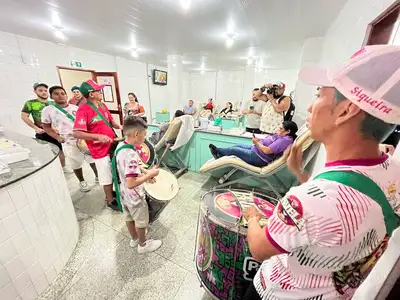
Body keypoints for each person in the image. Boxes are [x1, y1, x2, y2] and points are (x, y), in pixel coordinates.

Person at [242, 45, 400, 300]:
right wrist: (301, 174)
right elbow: (333, 220)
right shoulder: (393, 173)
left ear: (345, 110)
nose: (311, 107)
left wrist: (251, 216)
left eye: (318, 95)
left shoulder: (309, 201)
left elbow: (259, 249)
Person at [73, 79, 122, 211]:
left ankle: (116, 192)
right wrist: (98, 136)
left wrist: (119, 125)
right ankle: (110, 200)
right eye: (98, 90)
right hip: (99, 150)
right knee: (106, 175)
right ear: (91, 94)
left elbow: (110, 120)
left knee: (116, 171)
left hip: (113, 144)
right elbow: (77, 133)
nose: (101, 92)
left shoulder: (102, 105)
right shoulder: (83, 110)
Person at [115, 116, 162, 253]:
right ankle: (143, 245)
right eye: (144, 134)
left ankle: (134, 239)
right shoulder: (131, 154)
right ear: (136, 134)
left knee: (129, 217)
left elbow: (128, 171)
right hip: (134, 195)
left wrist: (144, 171)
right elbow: (131, 183)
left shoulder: (121, 146)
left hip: (123, 192)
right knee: (141, 221)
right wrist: (150, 175)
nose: (145, 138)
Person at [42, 86, 98, 192]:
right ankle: (82, 181)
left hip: (84, 138)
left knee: (92, 159)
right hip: (68, 140)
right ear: (51, 96)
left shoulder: (75, 108)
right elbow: (46, 127)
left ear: (66, 95)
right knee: (75, 162)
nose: (60, 95)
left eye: (62, 93)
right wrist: (58, 137)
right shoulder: (48, 110)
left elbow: (86, 122)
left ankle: (97, 176)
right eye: (56, 94)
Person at [21, 82, 72, 173]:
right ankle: (50, 169)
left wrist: (56, 127)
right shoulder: (30, 103)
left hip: (55, 132)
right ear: (35, 91)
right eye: (40, 91)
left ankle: (63, 167)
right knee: (46, 151)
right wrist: (36, 128)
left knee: (60, 150)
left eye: (45, 90)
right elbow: (24, 117)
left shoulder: (53, 103)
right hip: (41, 132)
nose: (44, 92)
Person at [209, 121, 297, 167]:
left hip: (259, 158)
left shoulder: (285, 141)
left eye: (281, 128)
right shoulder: (283, 136)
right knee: (237, 145)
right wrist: (259, 141)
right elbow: (270, 141)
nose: (279, 129)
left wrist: (257, 143)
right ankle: (220, 155)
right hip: (256, 150)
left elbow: (267, 150)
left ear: (288, 131)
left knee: (234, 150)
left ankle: (217, 150)